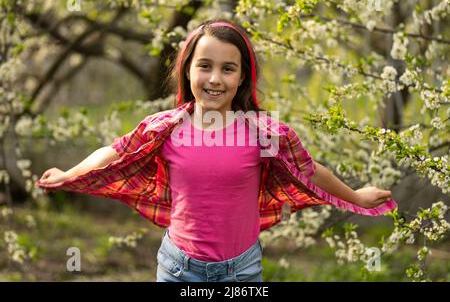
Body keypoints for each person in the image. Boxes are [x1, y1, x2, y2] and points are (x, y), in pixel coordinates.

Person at [36, 19, 397, 282]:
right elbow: (114, 152)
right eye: (204, 66)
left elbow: (308, 169)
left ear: (241, 78)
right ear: (188, 70)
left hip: (241, 272)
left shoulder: (261, 132)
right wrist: (70, 174)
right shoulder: (167, 128)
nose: (214, 79)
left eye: (228, 69)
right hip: (178, 268)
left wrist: (356, 197)